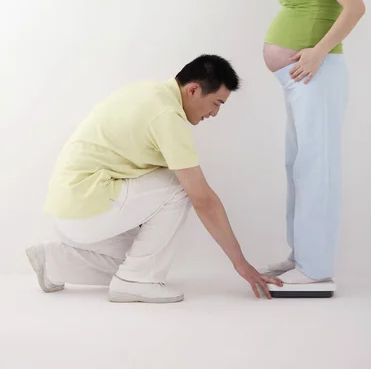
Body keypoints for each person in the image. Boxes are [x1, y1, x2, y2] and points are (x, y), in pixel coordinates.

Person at [27, 54, 282, 302]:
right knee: (182, 187)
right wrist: (242, 265)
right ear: (193, 90)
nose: (214, 113)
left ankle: (53, 262)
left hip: (72, 209)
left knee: (137, 259)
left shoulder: (149, 92)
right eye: (217, 103)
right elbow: (203, 200)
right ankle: (136, 282)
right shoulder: (167, 116)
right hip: (87, 206)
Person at [238, 0, 365, 285]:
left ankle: (316, 270)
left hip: (317, 75)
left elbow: (355, 6)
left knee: (316, 169)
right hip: (300, 80)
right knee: (298, 166)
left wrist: (318, 51)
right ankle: (301, 257)